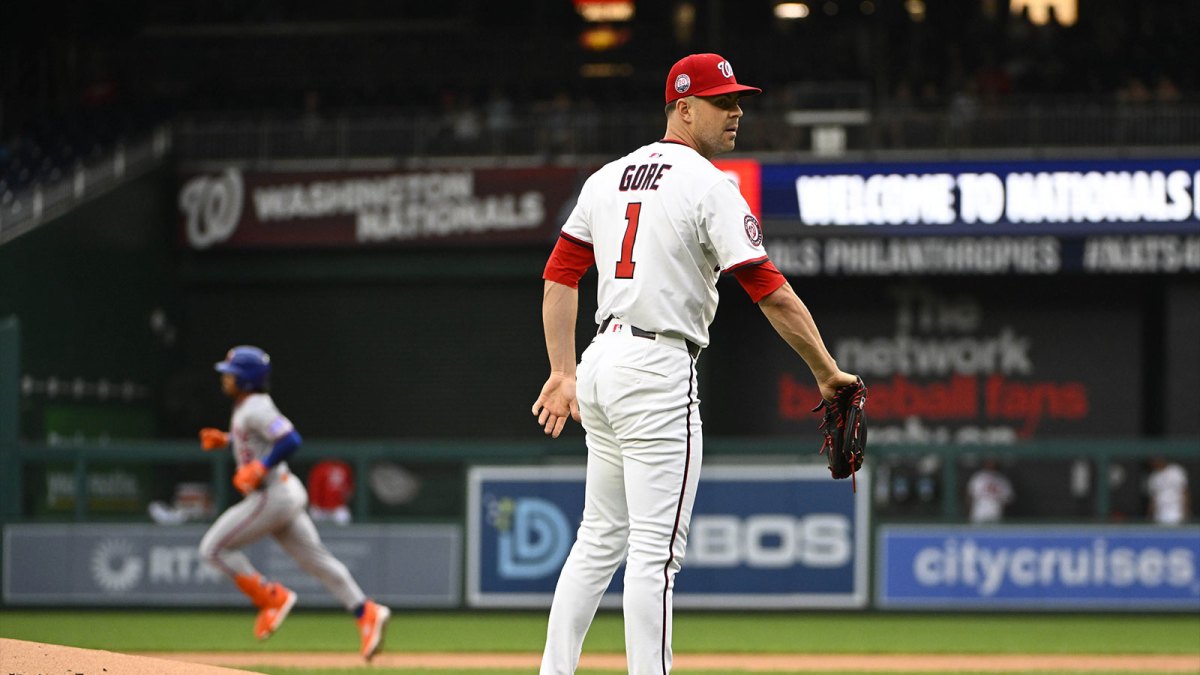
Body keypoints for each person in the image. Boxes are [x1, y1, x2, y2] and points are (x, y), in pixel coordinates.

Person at [530, 53, 859, 674]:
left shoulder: (607, 178)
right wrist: (824, 370)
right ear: (683, 108)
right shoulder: (710, 184)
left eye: (738, 101)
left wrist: (563, 372)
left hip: (601, 360)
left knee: (598, 541)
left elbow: (559, 276)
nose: (736, 112)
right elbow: (768, 288)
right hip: (656, 367)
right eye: (721, 101)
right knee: (655, 553)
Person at [197, 346, 390, 660]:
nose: (226, 379)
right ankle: (365, 611)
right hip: (283, 494)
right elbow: (256, 438)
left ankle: (271, 598)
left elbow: (290, 439)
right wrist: (227, 440)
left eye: (231, 374)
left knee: (213, 549)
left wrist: (260, 467)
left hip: (271, 495)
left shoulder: (256, 407)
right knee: (318, 561)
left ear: (245, 380)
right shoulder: (248, 407)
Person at [308, 458, 355, 525]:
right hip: (321, 508)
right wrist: (316, 504)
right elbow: (314, 489)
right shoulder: (320, 467)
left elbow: (349, 489)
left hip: (337, 508)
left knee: (344, 516)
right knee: (314, 514)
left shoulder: (344, 467)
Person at [966, 458, 1014, 523]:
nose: (990, 465)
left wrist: (999, 506)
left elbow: (1007, 498)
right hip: (979, 510)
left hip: (995, 510)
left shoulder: (1002, 480)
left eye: (993, 463)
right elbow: (970, 496)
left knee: (994, 531)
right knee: (976, 530)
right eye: (988, 463)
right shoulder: (978, 477)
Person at [1146, 456, 1190, 525]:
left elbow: (1185, 492)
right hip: (1160, 515)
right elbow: (1153, 499)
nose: (1154, 462)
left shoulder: (1176, 471)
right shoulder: (1153, 477)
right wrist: (1149, 516)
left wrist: (1186, 511)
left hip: (1176, 513)